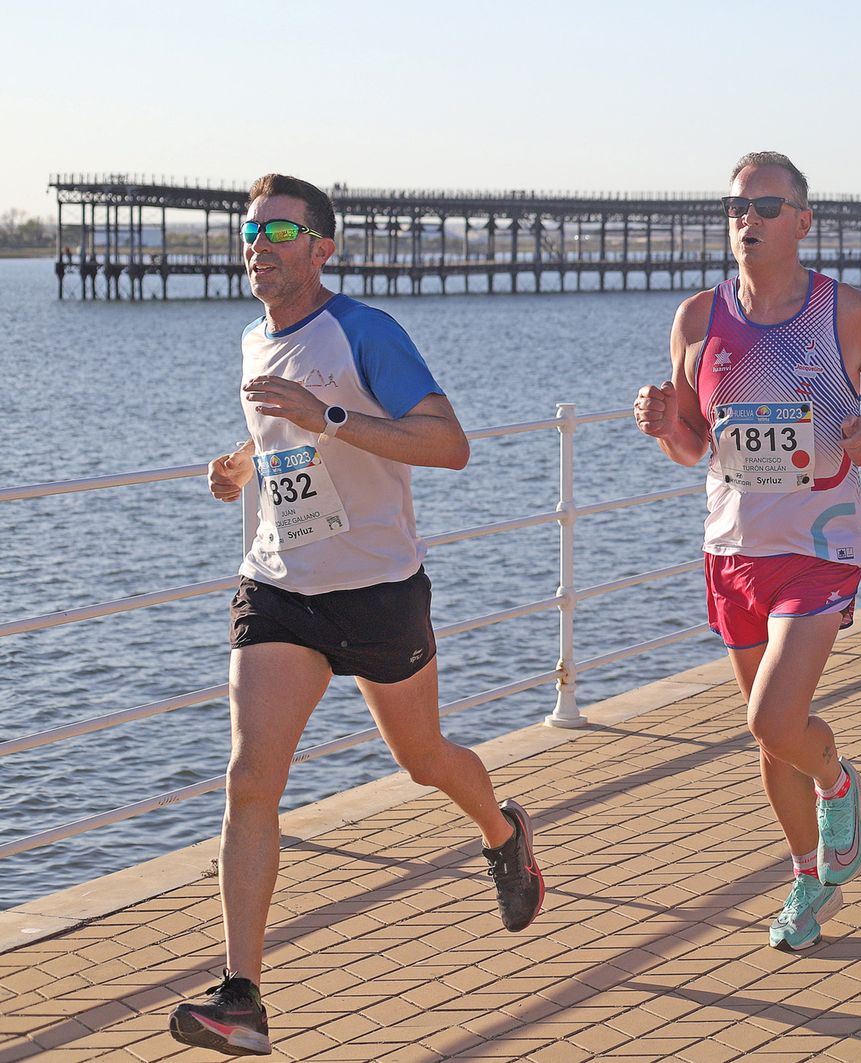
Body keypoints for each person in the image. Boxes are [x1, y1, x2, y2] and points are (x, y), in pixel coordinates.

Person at [168, 175, 543, 1057]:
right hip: (279, 586)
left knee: (423, 761)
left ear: (322, 247)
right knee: (249, 778)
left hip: (377, 587)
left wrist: (329, 414)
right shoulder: (253, 338)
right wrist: (239, 469)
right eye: (249, 230)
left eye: (280, 230)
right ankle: (244, 996)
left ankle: (503, 833)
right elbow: (282, 442)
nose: (258, 243)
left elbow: (449, 445)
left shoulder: (365, 332)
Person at [633, 152, 861, 952]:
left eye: (764, 205)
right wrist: (662, 426)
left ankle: (841, 785)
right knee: (766, 737)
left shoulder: (842, 311)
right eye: (735, 207)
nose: (746, 220)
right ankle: (806, 882)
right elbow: (693, 445)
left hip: (819, 545)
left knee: (772, 715)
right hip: (734, 548)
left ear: (802, 219)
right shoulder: (696, 320)